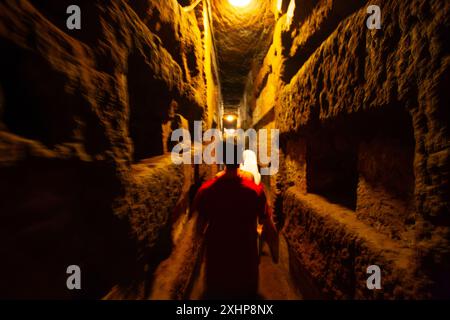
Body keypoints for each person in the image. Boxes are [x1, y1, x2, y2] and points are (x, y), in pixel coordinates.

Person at [192, 142, 267, 299]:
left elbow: (198, 228)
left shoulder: (206, 190)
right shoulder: (254, 191)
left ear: (221, 160)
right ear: (240, 161)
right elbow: (264, 221)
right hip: (245, 257)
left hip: (218, 257)